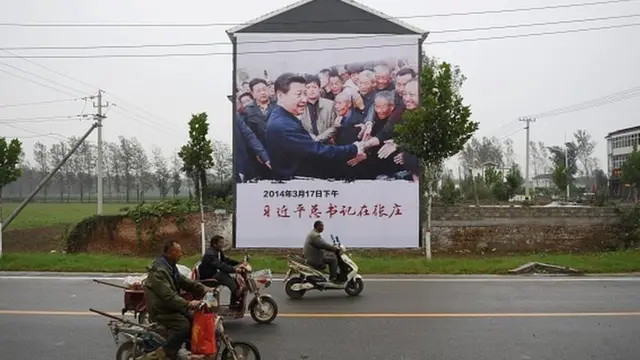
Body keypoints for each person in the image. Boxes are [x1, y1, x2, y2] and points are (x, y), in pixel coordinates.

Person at [143, 240, 213, 360]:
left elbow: (184, 282)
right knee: (183, 326)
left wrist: (203, 288)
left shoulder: (170, 267)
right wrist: (189, 303)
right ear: (170, 253)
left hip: (170, 306)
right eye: (178, 252)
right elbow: (168, 296)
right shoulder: (159, 272)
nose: (181, 254)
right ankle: (164, 353)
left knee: (195, 319)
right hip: (161, 310)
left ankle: (193, 350)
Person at [198, 235, 245, 310]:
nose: (223, 244)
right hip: (208, 276)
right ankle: (237, 292)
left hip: (213, 273)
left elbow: (226, 260)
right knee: (223, 275)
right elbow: (220, 265)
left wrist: (239, 263)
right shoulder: (210, 254)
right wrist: (234, 269)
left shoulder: (218, 251)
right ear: (214, 244)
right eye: (221, 243)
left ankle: (234, 303)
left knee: (234, 278)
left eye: (223, 242)